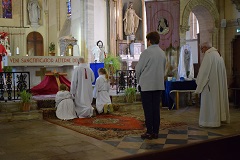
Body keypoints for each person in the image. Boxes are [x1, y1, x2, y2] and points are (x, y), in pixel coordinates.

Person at [135, 31, 166, 139]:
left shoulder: (146, 52)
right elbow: (163, 70)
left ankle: (149, 131)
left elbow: (138, 69)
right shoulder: (162, 53)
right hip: (158, 85)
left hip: (147, 86)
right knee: (156, 109)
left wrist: (140, 81)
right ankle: (156, 132)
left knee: (148, 109)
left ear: (149, 41)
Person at [195, 42, 230, 127]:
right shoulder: (218, 54)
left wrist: (198, 83)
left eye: (202, 49)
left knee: (210, 103)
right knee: (217, 101)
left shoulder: (209, 55)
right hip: (217, 84)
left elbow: (204, 73)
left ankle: (209, 122)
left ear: (205, 47)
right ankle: (219, 119)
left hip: (209, 86)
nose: (202, 51)